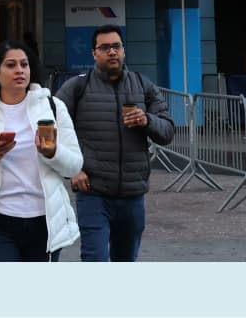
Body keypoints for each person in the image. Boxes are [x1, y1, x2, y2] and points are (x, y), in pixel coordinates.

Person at [0, 40, 82, 262]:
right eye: (11, 65)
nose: (19, 70)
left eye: (24, 64)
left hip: (44, 221)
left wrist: (53, 153)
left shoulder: (53, 107)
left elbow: (75, 165)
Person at [58, 24, 174, 261]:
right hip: (93, 193)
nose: (112, 52)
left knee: (125, 261)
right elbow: (49, 129)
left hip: (133, 194)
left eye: (116, 46)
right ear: (94, 53)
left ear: (123, 51)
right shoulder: (77, 87)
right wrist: (72, 170)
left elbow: (168, 131)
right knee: (95, 259)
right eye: (104, 47)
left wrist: (147, 120)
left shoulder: (143, 85)